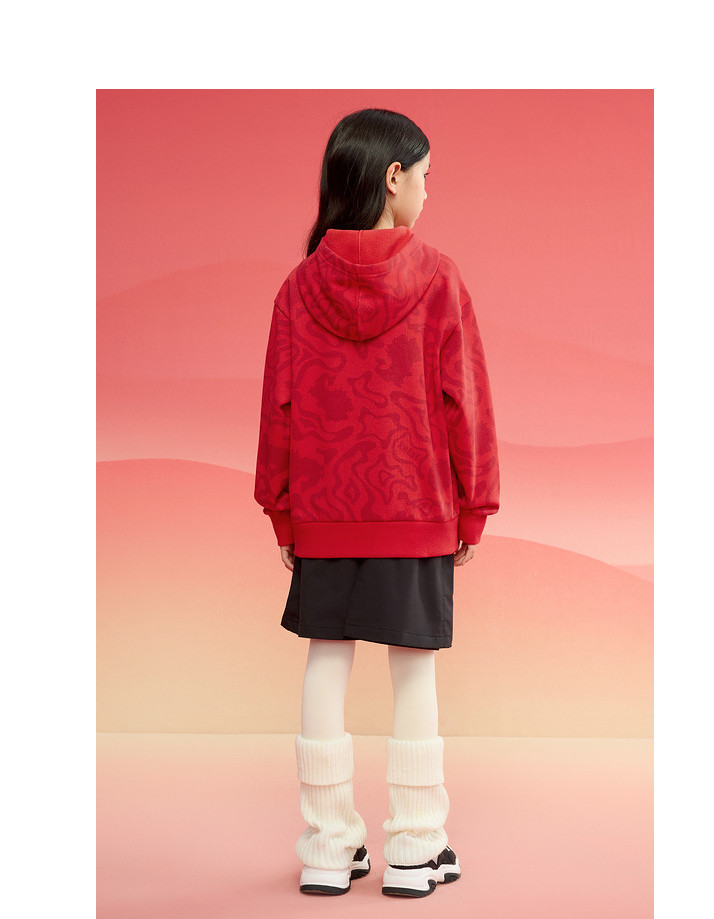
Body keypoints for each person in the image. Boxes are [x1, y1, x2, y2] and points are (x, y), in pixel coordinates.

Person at [253, 107, 500, 897]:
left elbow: (278, 408)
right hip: (415, 506)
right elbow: (466, 402)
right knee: (414, 669)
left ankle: (327, 848)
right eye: (424, 176)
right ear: (393, 177)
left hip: (325, 511)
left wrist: (282, 509)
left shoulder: (297, 288)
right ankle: (416, 850)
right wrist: (474, 504)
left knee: (326, 660)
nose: (428, 192)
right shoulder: (439, 278)